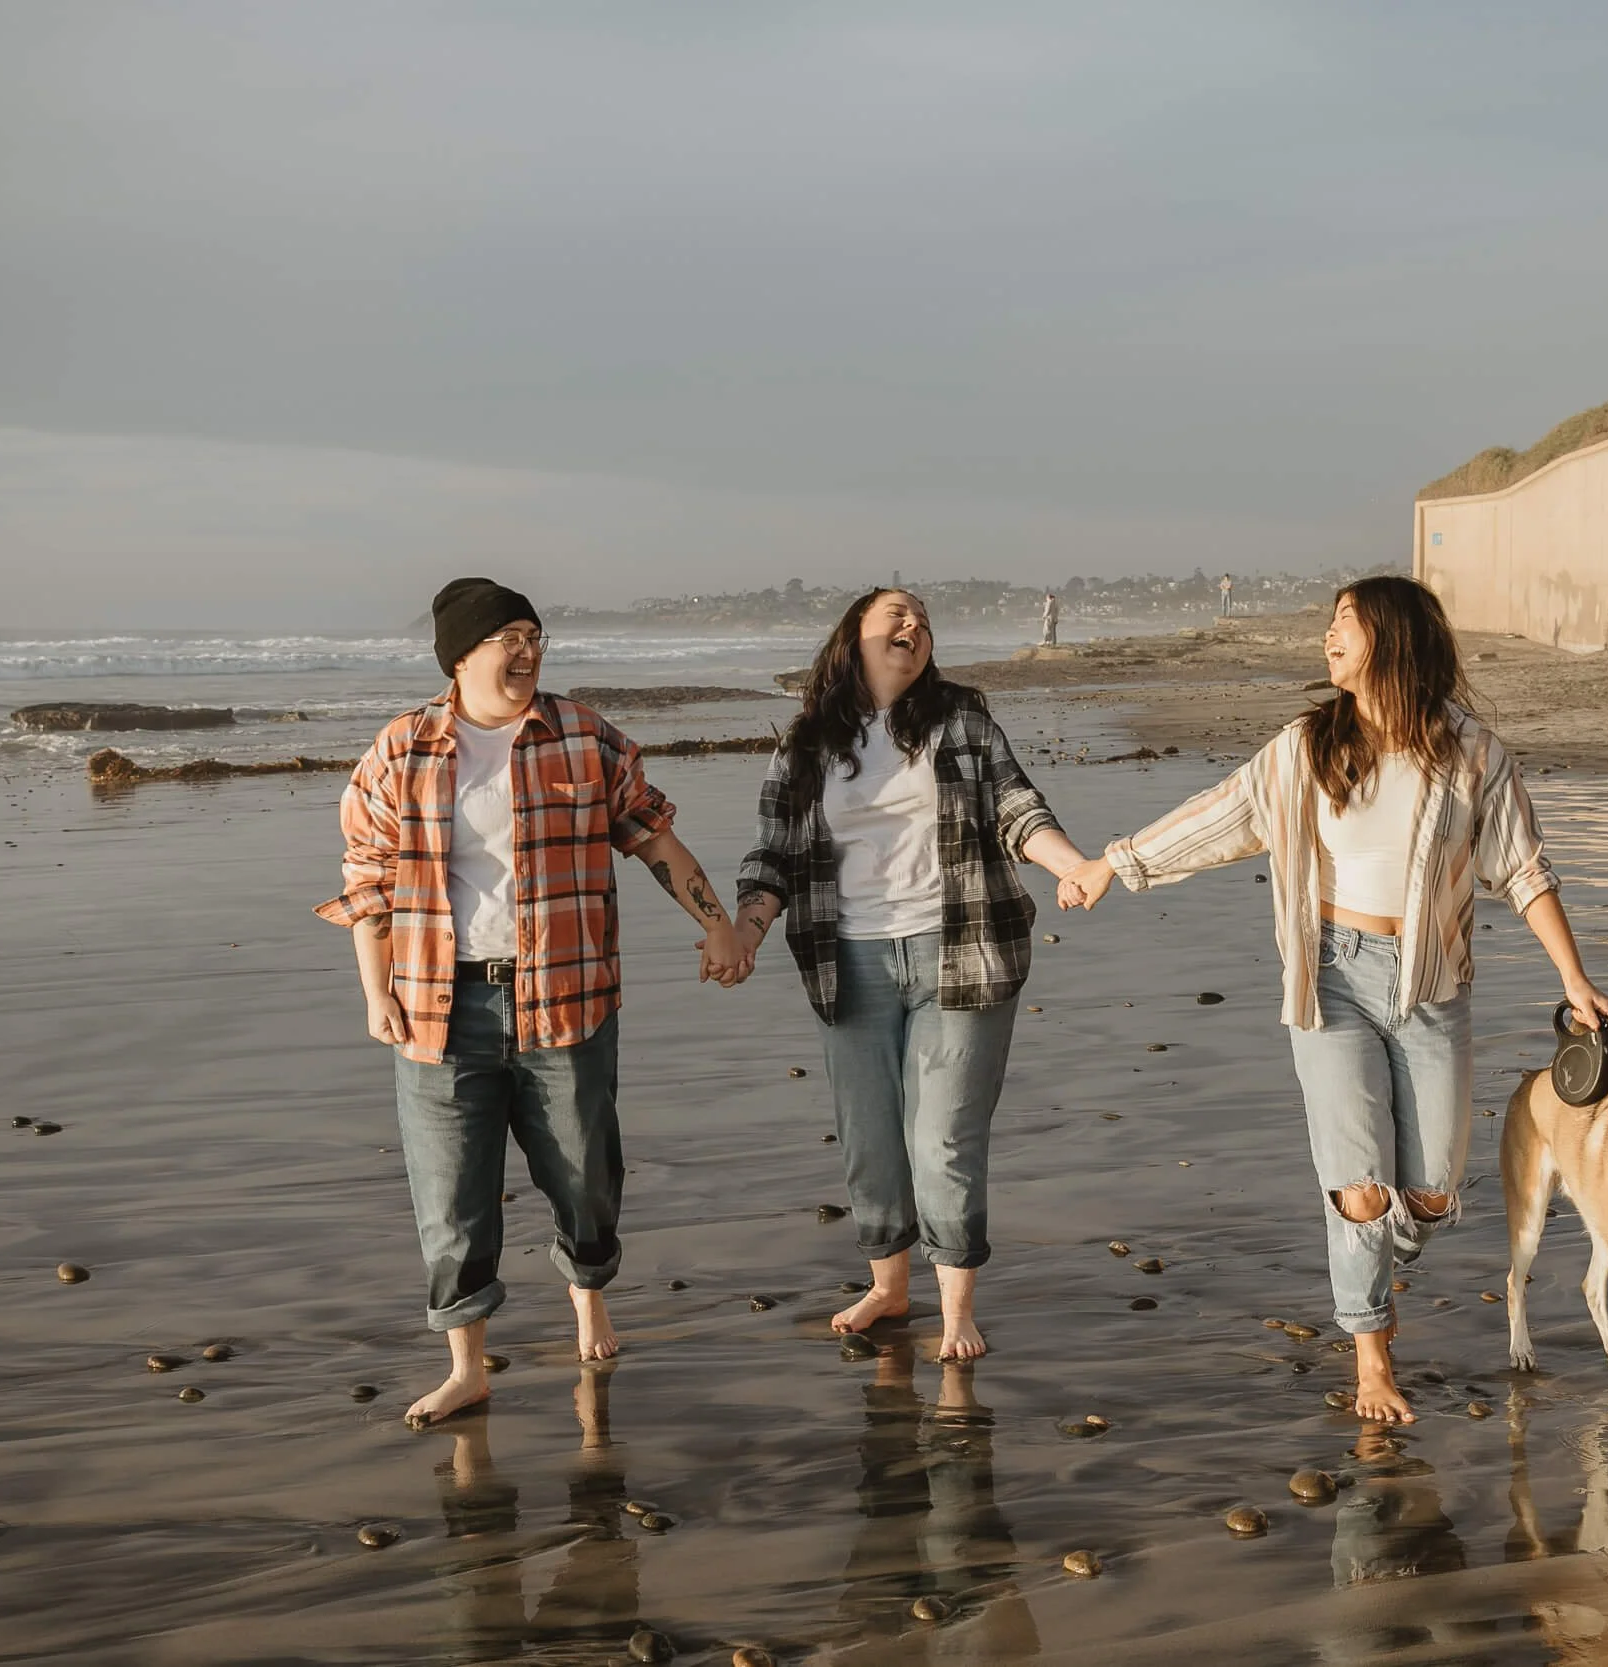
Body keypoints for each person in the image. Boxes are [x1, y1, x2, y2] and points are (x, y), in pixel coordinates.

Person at [1061, 575, 1608, 1425]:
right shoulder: (1306, 747)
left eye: (1345, 625)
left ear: (1392, 641)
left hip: (1431, 982)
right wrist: (1115, 863)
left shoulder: (1473, 755)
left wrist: (1573, 978)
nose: (1328, 639)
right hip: (1330, 976)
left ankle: (1368, 1245)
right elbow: (1221, 815)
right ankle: (1371, 1351)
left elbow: (1525, 871)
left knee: (1428, 1191)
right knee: (1360, 1186)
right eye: (1329, 624)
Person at [317, 577, 749, 1428]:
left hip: (567, 998)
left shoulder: (582, 734)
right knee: (450, 1195)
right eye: (508, 635)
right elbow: (366, 884)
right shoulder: (402, 749)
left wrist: (718, 924)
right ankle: (467, 1366)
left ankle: (588, 1295)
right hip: (441, 1006)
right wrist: (375, 995)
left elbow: (651, 831)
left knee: (587, 1175)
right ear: (462, 652)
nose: (527, 650)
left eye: (534, 633)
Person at [733, 589, 1091, 1360]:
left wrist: (1071, 865)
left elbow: (1017, 805)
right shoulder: (806, 743)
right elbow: (774, 855)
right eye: (897, 614)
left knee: (943, 1139)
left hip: (960, 948)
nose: (913, 626)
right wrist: (745, 932)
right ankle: (889, 1286)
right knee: (869, 1138)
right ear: (852, 637)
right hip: (849, 960)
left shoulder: (960, 719)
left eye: (923, 620)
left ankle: (956, 1303)